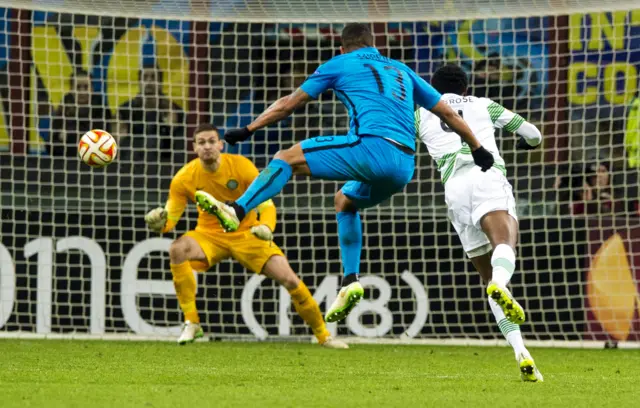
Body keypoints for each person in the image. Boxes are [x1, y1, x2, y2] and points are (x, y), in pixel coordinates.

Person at [194, 23, 495, 324]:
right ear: (374, 44)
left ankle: (237, 209)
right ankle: (351, 279)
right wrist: (478, 148)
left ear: (342, 47)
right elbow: (447, 112)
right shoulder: (402, 69)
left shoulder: (338, 63)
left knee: (285, 158)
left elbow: (288, 104)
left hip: (370, 148)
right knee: (344, 201)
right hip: (404, 165)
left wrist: (249, 129)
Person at [144, 123, 347, 348]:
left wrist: (267, 228)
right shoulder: (184, 178)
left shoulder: (241, 166)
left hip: (247, 233)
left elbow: (266, 202)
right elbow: (170, 218)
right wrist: (159, 223)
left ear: (221, 144)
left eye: (212, 141)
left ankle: (323, 336)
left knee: (289, 279)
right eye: (201, 143)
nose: (207, 147)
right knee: (177, 249)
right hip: (210, 235)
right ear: (194, 148)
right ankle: (192, 322)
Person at [415, 64, 543, 382]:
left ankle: (520, 352)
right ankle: (502, 284)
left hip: (453, 191)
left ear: (433, 89)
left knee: (487, 276)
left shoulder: (420, 114)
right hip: (485, 175)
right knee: (505, 243)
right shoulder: (484, 104)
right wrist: (525, 146)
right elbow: (534, 135)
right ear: (466, 88)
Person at [49, 71, 110, 157]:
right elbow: (52, 141)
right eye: (78, 87)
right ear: (71, 89)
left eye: (86, 87)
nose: (82, 92)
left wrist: (69, 134)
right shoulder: (64, 107)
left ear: (91, 89)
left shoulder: (101, 109)